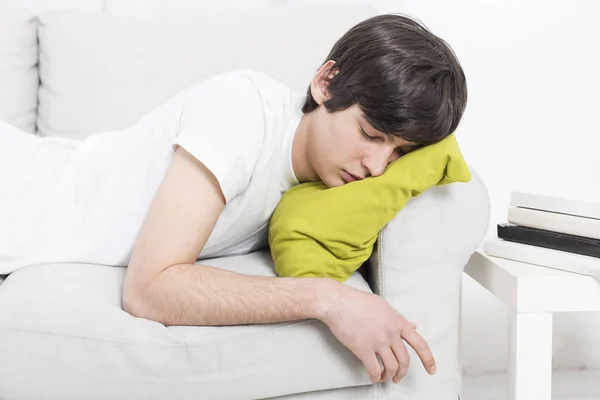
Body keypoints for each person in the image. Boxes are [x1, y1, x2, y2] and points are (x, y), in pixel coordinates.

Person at [0, 14, 466, 385]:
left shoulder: (328, 187)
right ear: (325, 83)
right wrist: (330, 300)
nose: (377, 167)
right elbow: (149, 289)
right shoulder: (243, 110)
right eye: (369, 133)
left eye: (399, 152)